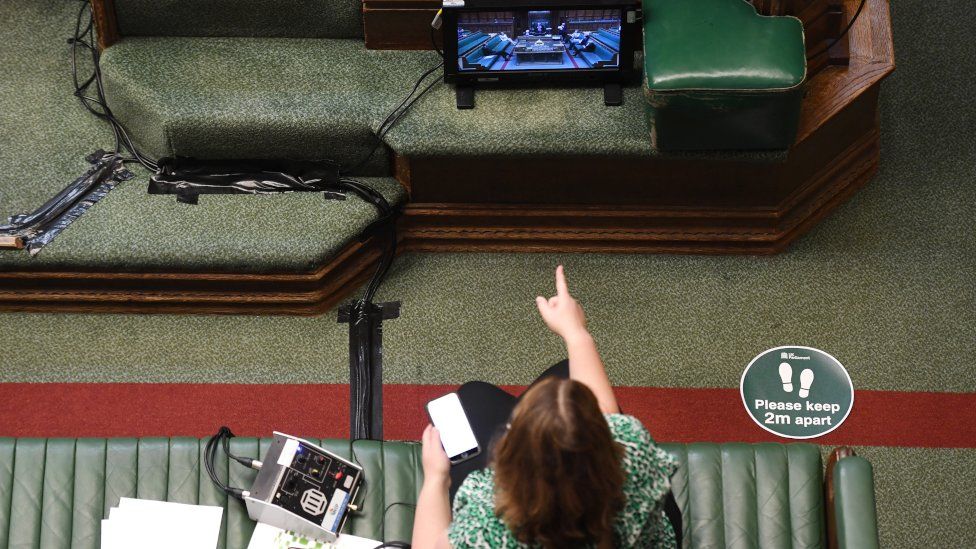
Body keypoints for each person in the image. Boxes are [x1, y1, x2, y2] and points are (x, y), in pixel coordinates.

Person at [411, 266, 681, 549]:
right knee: (567, 371)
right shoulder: (635, 452)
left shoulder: (488, 522)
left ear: (510, 458)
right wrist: (575, 333)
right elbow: (607, 414)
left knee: (474, 396)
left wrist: (436, 478)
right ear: (603, 441)